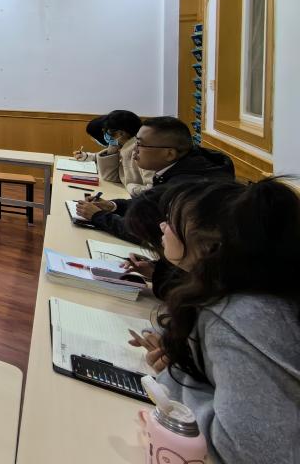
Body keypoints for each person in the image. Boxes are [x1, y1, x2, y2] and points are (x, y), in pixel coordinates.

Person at [129, 179, 300, 463]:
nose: (162, 226)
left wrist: (175, 373)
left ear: (209, 246)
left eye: (172, 221)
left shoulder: (242, 317)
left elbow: (244, 451)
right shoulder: (232, 291)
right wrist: (175, 347)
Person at [75, 116, 234, 244]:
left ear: (169, 154)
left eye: (140, 145)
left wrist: (98, 216)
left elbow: (142, 230)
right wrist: (113, 205)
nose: (134, 150)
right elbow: (151, 203)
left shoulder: (186, 185)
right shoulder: (183, 166)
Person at [73, 109, 153, 196]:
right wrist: (112, 148)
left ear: (121, 133)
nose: (105, 136)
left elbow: (154, 190)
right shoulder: (125, 149)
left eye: (106, 132)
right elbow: (111, 177)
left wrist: (130, 187)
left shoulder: (142, 153)